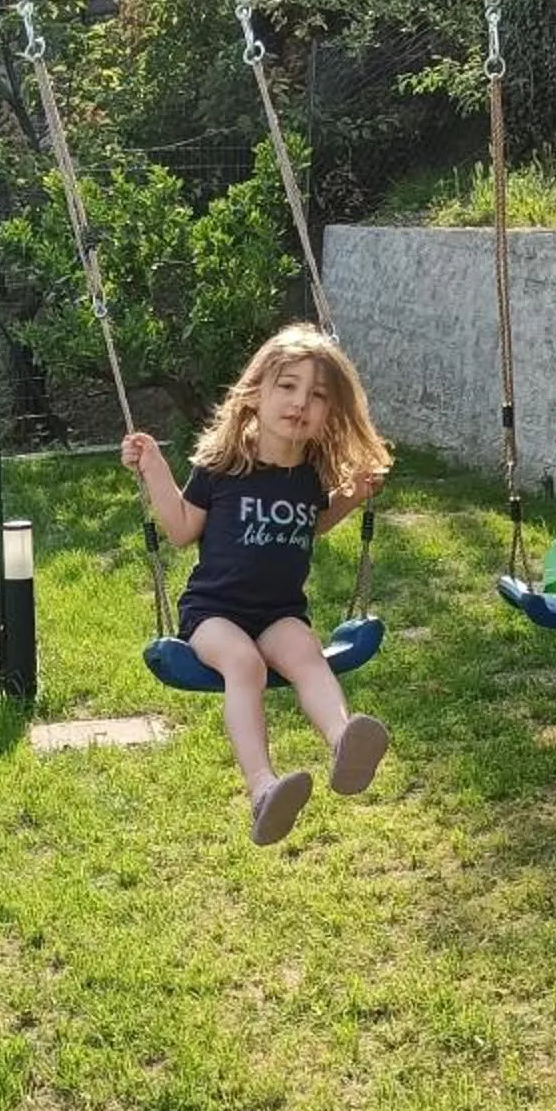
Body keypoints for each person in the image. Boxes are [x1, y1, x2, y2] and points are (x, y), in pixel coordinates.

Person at [122, 324, 393, 845]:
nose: (300, 403)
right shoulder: (222, 466)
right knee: (243, 665)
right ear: (256, 394)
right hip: (214, 614)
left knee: (306, 651)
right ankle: (264, 788)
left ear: (330, 412)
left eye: (317, 395)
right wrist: (154, 467)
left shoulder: (312, 474)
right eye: (287, 387)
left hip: (279, 611)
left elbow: (310, 523)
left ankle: (344, 741)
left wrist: (352, 496)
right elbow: (181, 529)